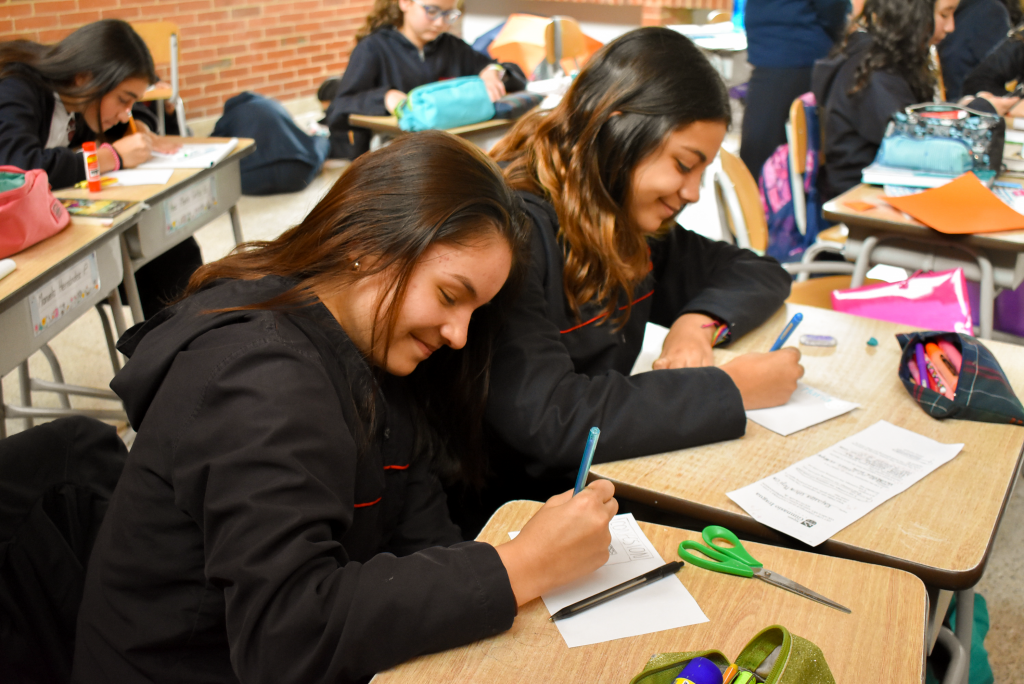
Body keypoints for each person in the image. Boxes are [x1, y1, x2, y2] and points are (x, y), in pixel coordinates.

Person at [71, 132, 619, 684]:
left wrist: (513, 572)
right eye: (450, 296)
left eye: (474, 311)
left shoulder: (375, 359)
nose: (458, 335)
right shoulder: (262, 380)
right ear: (368, 244)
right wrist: (519, 566)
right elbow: (287, 637)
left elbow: (423, 539)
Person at [462, 28, 801, 534]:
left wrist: (697, 322)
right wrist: (729, 389)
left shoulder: (621, 211)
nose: (692, 192)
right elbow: (551, 418)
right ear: (617, 129)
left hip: (596, 487)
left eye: (702, 171)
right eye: (684, 164)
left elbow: (759, 271)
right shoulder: (513, 233)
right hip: (507, 517)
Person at [0, 19, 201, 318]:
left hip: (49, 223)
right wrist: (110, 158)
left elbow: (131, 114)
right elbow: (17, 167)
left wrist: (140, 127)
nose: (124, 114)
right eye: (123, 100)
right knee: (156, 267)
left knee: (170, 250)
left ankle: (188, 336)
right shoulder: (18, 87)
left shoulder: (80, 102)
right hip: (15, 243)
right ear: (85, 78)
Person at [813, 0, 1017, 199]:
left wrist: (957, 109)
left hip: (885, 188)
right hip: (862, 197)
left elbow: (914, 120)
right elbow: (916, 142)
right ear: (914, 14)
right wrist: (978, 110)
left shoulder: (883, 60)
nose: (951, 27)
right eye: (944, 15)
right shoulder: (875, 73)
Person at [322, 0, 525, 159]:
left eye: (449, 14)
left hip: (448, 156)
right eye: (432, 11)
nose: (440, 23)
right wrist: (384, 97)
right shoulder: (373, 49)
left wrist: (492, 71)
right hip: (391, 162)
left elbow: (515, 76)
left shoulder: (453, 47)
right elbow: (338, 109)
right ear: (405, 3)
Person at [741, 0, 851, 181]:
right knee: (761, 155)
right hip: (779, 52)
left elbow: (832, 7)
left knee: (766, 156)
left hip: (794, 54)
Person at [937, 0, 1012, 100]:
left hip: (967, 104)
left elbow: (993, 78)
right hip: (944, 105)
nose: (950, 27)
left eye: (944, 15)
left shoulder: (988, 11)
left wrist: (977, 104)